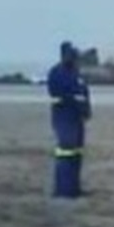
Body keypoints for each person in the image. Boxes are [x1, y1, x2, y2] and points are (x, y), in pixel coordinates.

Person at [47, 41, 91, 198]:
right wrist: (73, 99)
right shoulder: (56, 73)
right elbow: (57, 93)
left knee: (77, 154)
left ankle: (74, 188)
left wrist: (86, 110)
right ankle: (62, 189)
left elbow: (85, 92)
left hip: (77, 117)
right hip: (63, 116)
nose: (73, 58)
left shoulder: (77, 73)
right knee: (65, 152)